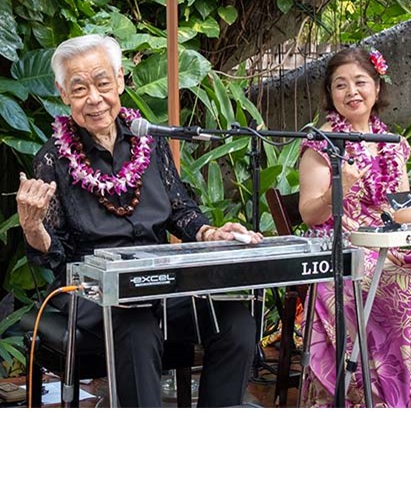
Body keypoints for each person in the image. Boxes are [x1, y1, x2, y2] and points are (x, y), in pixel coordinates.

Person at [17, 34, 261, 407]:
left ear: (120, 80)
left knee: (236, 323)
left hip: (160, 282)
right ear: (63, 94)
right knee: (137, 325)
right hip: (92, 293)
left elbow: (179, 210)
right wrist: (33, 227)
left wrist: (210, 232)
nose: (94, 98)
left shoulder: (151, 141)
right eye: (79, 89)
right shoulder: (53, 159)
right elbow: (55, 253)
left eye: (102, 83)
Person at [298, 47, 411, 407]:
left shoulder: (389, 142)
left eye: (360, 82)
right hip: (341, 258)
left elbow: (399, 211)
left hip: (386, 252)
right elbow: (309, 214)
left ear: (377, 87)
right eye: (340, 85)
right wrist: (338, 189)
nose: (352, 92)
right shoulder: (322, 144)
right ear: (330, 93)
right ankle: (389, 397)